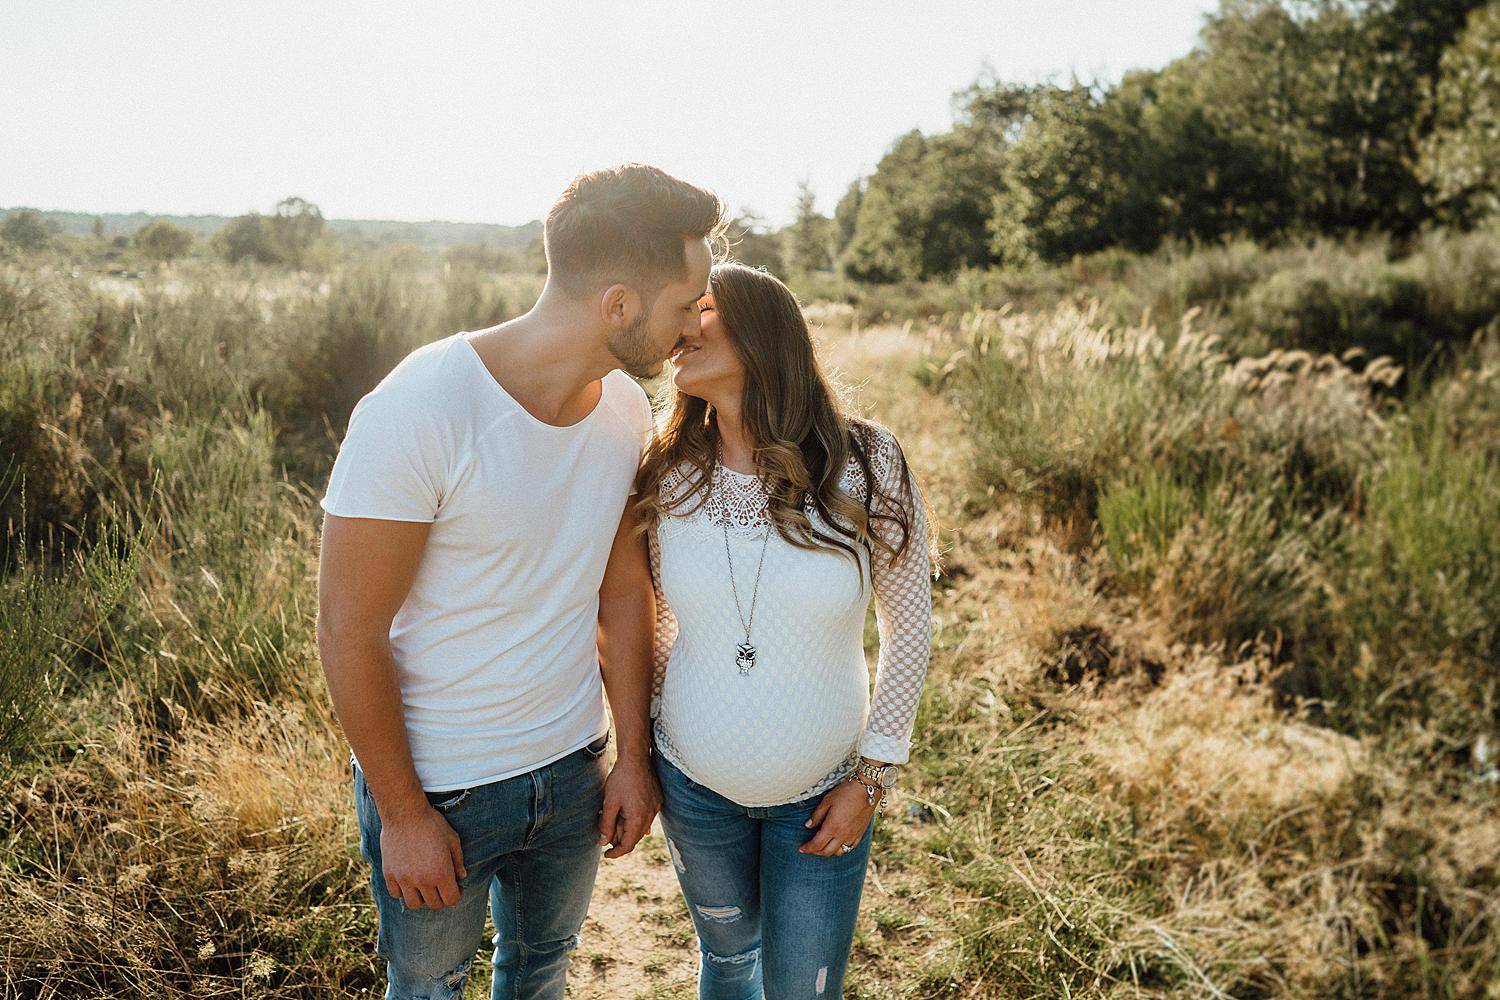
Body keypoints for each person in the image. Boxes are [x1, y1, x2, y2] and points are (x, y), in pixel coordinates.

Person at [316, 163, 726, 1000]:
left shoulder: (622, 408)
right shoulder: (419, 410)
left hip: (573, 770)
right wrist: (402, 815)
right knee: (429, 987)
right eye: (687, 304)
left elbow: (620, 594)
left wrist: (631, 759)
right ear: (618, 305)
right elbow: (346, 631)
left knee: (541, 969)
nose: (696, 326)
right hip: (442, 787)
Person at [632, 262, 935, 999]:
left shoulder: (868, 461)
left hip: (827, 790)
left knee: (803, 987)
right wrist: (646, 749)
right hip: (694, 788)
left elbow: (910, 622)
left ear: (760, 333)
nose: (679, 329)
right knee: (728, 962)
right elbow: (656, 622)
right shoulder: (667, 471)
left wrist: (875, 774)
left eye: (700, 309)